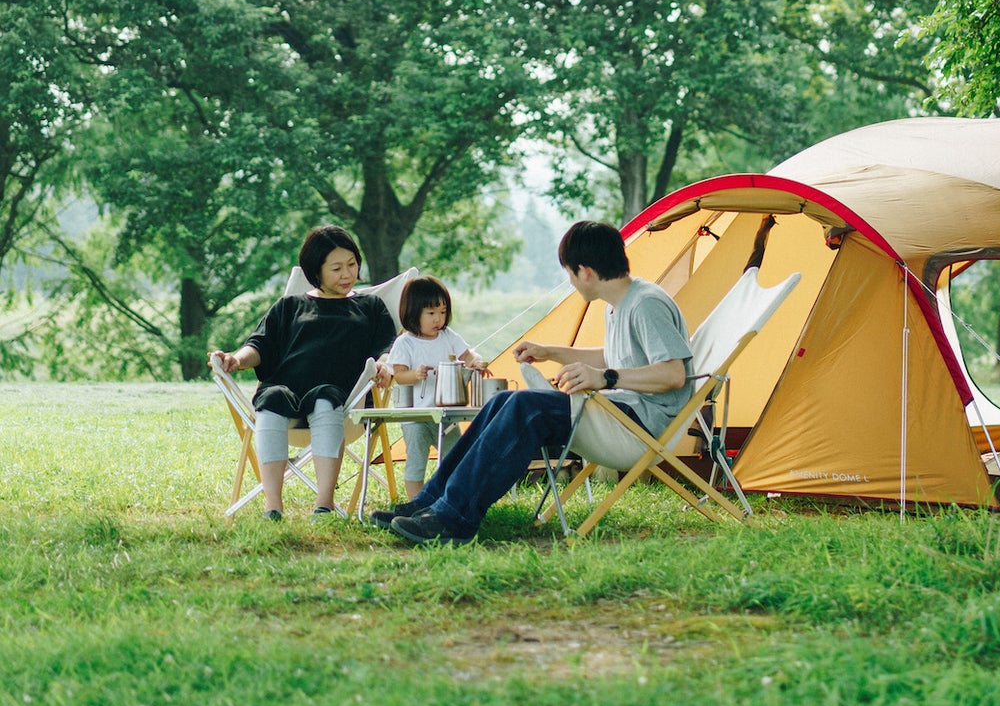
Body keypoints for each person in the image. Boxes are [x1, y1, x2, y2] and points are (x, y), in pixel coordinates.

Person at [380, 219, 693, 547]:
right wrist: (550, 352)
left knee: (523, 406)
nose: (570, 281)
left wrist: (605, 378)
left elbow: (673, 374)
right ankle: (429, 503)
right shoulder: (620, 306)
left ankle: (453, 518)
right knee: (502, 402)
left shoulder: (646, 303)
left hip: (642, 426)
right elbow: (616, 356)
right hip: (621, 413)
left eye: (569, 273)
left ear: (584, 271)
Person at [212, 225, 396, 520]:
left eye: (352, 265)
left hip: (341, 401)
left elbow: (386, 346)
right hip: (287, 389)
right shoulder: (290, 306)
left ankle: (323, 505)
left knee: (324, 398)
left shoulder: (370, 307)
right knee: (270, 400)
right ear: (316, 270)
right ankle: (272, 506)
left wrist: (387, 363)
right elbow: (259, 345)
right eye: (336, 268)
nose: (347, 274)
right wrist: (235, 359)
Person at [387, 275, 488, 499]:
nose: (438, 319)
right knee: (416, 460)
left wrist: (477, 363)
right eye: (431, 313)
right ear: (413, 313)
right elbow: (399, 375)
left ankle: (449, 500)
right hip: (416, 416)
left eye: (442, 312)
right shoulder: (406, 342)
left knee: (454, 458)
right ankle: (416, 502)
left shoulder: (448, 336)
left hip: (447, 414)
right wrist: (416, 374)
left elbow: (469, 356)